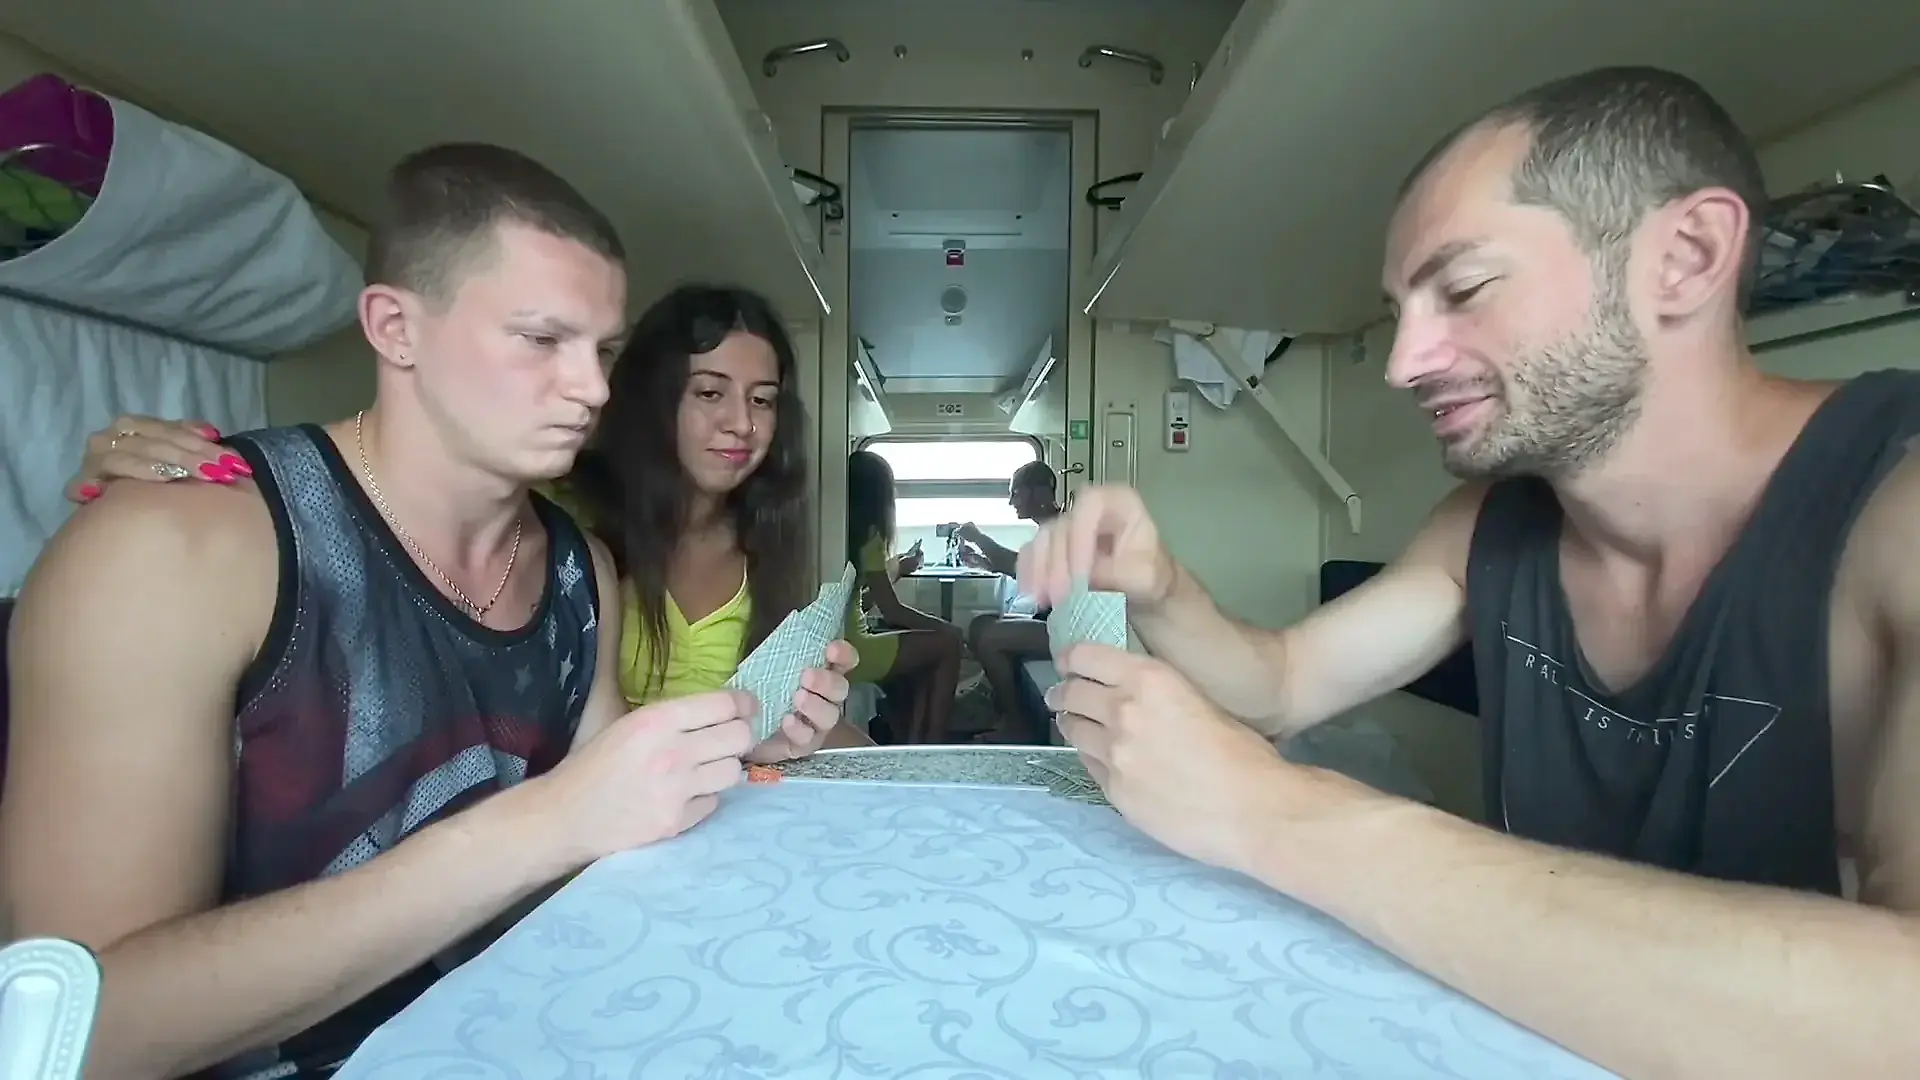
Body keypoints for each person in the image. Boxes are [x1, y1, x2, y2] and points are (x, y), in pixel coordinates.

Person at [1018, 66, 1920, 1079]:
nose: (1404, 362)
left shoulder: (1899, 503)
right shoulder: (1491, 524)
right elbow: (1278, 686)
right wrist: (1159, 585)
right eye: (1403, 308)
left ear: (1687, 257)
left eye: (1463, 290)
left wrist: (1276, 812)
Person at [2, 144, 853, 1080]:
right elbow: (78, 1032)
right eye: (542, 340)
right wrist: (545, 820)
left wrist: (739, 746)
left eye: (603, 351)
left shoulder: (582, 573)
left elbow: (603, 860)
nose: (595, 389)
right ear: (395, 327)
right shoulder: (168, 551)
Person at [72, 284, 873, 750]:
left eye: (763, 401)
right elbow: (391, 509)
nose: (741, 424)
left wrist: (813, 726)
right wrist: (222, 477)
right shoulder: (560, 520)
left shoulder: (770, 543)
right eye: (710, 393)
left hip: (720, 814)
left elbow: (782, 734)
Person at [844, 449, 963, 743]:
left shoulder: (840, 532)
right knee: (948, 644)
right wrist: (946, 628)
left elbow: (859, 604)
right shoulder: (870, 535)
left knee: (927, 655)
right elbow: (892, 611)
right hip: (856, 651)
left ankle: (916, 740)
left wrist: (896, 570)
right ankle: (933, 740)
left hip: (842, 642)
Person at [949, 461, 1060, 739]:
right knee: (979, 626)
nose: (1011, 502)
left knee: (990, 638)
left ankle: (1017, 724)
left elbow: (1024, 567)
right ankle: (997, 707)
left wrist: (979, 537)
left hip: (1069, 629)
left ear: (1040, 492)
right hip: (1051, 619)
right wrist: (985, 564)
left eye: (1016, 493)